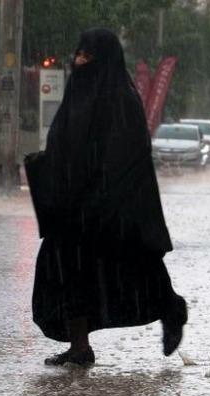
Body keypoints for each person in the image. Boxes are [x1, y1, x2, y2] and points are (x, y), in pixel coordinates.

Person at [25, 29, 187, 366]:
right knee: (66, 270)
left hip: (112, 209)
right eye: (79, 52)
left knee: (133, 267)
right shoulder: (77, 92)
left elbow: (126, 156)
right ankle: (80, 347)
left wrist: (101, 192)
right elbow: (67, 142)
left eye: (89, 55)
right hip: (73, 207)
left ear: (105, 59)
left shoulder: (121, 98)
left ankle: (171, 308)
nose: (80, 60)